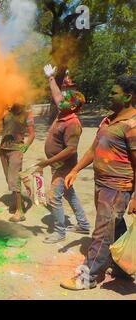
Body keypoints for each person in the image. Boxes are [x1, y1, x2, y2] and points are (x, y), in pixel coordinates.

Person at [61, 75, 136, 290]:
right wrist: (75, 169)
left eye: (114, 92)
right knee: (115, 226)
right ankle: (123, 267)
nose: (109, 95)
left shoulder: (132, 125)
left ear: (128, 96)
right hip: (101, 185)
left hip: (118, 188)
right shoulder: (108, 120)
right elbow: (93, 150)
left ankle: (89, 276)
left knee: (102, 232)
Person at [36, 64, 90, 243]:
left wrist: (47, 161)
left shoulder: (72, 123)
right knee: (69, 193)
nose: (62, 98)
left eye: (66, 98)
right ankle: (83, 224)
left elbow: (71, 149)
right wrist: (51, 77)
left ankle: (59, 232)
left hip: (64, 167)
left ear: (73, 107)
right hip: (57, 165)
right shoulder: (63, 112)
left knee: (54, 197)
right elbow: (57, 95)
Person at [0, 103, 35, 222]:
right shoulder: (6, 112)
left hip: (16, 150)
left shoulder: (26, 113)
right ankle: (17, 202)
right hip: (3, 150)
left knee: (15, 180)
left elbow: (32, 135)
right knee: (9, 179)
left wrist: (25, 147)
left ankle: (20, 212)